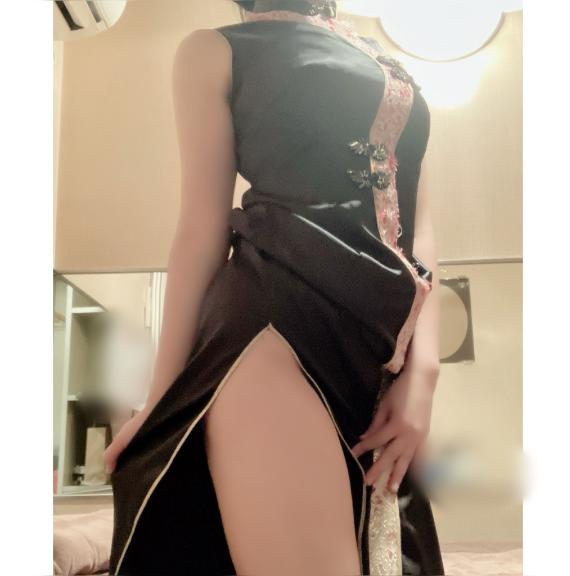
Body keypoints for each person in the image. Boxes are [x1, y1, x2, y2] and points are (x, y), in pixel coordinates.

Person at [105, 0, 445, 574]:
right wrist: (161, 396)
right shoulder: (214, 50)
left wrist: (424, 371)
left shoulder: (385, 57)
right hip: (275, 323)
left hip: (379, 347)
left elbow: (422, 226)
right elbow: (200, 231)